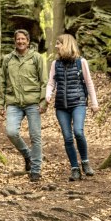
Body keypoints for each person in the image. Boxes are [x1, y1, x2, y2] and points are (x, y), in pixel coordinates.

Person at [0, 29, 48, 181]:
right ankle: (28, 155)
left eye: (23, 39)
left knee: (35, 136)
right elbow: (3, 82)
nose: (20, 42)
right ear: (15, 41)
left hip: (33, 102)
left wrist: (44, 102)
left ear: (28, 40)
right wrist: (0, 103)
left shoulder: (37, 58)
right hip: (14, 103)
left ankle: (36, 170)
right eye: (18, 39)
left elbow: (44, 81)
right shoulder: (7, 59)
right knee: (11, 132)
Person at [46, 34, 99, 181]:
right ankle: (74, 168)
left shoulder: (81, 62)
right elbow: (51, 83)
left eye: (59, 43)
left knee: (78, 132)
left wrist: (94, 103)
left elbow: (89, 83)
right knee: (68, 138)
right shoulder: (55, 64)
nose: (56, 46)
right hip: (61, 106)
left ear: (67, 44)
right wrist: (48, 94)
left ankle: (85, 162)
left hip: (78, 103)